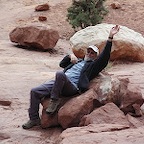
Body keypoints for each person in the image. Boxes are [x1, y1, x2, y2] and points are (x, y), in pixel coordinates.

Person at [22, 25, 120, 129]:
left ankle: (54, 100)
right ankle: (34, 119)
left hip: (72, 86)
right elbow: (62, 64)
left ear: (95, 57)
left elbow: (104, 58)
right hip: (59, 82)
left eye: (93, 53)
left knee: (60, 74)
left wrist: (110, 37)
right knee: (34, 91)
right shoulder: (78, 61)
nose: (90, 54)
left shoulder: (93, 66)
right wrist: (69, 56)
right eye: (89, 52)